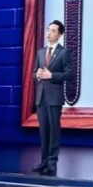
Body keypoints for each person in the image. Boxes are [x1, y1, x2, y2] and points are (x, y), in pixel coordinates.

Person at [32, 20, 74, 176]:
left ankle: (52, 163)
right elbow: (34, 72)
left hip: (54, 98)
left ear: (60, 34)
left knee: (54, 131)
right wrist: (37, 75)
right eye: (48, 30)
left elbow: (69, 74)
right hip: (41, 97)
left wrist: (52, 75)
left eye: (53, 31)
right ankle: (43, 162)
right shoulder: (40, 52)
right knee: (44, 131)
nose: (48, 33)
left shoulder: (64, 52)